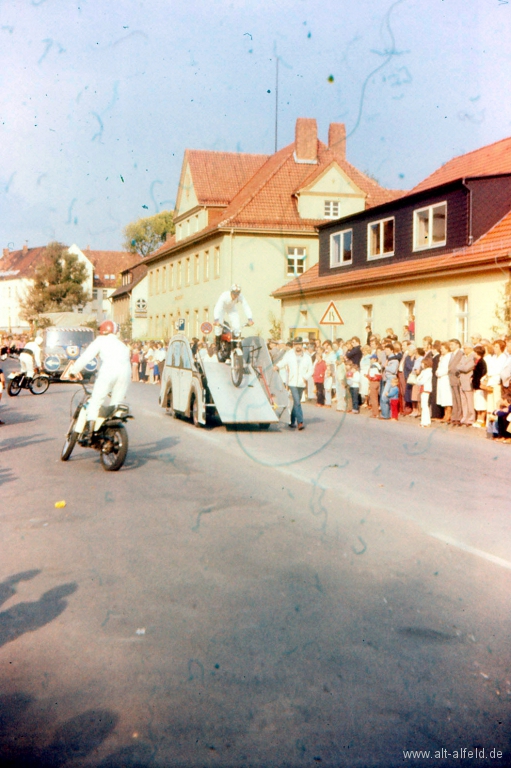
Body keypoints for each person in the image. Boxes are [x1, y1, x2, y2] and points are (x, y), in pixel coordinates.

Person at [68, 320, 131, 440]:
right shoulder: (122, 345)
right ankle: (110, 432)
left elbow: (86, 357)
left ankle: (90, 432)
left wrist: (73, 371)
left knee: (95, 401)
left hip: (108, 372)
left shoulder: (100, 341)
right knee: (115, 405)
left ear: (102, 330)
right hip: (125, 374)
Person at [274, 337, 312, 430]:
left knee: (296, 402)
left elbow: (311, 369)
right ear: (294, 345)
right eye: (296, 344)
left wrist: (305, 377)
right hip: (292, 381)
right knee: (297, 402)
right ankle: (300, 422)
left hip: (301, 382)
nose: (297, 346)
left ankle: (291, 421)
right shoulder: (289, 354)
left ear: (302, 345)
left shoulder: (307, 356)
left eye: (299, 344)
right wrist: (277, 366)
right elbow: (283, 362)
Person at [214, 284, 253, 349]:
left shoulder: (240, 296)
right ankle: (217, 344)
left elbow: (246, 306)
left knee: (237, 325)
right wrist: (216, 319)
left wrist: (250, 318)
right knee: (219, 325)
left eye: (237, 294)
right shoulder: (224, 296)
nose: (235, 296)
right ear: (231, 292)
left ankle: (234, 345)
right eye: (234, 294)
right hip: (222, 308)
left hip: (231, 308)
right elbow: (218, 307)